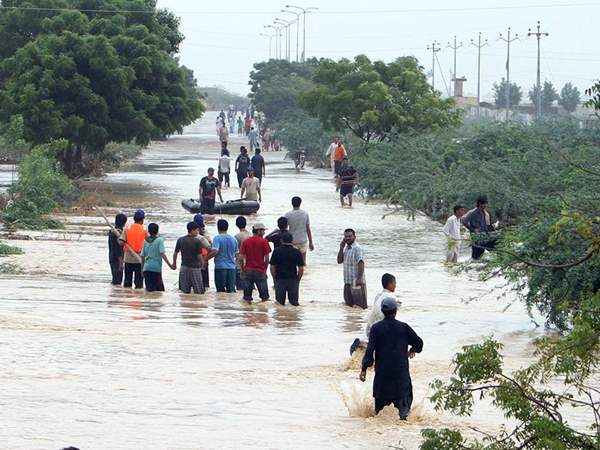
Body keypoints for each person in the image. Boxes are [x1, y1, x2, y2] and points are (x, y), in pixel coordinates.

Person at [360, 297, 423, 420]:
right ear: (395, 311)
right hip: (401, 380)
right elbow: (419, 343)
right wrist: (413, 350)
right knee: (403, 417)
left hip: (382, 380)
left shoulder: (376, 329)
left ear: (383, 311)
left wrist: (363, 369)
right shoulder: (404, 328)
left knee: (379, 417)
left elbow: (369, 351)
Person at [350, 273, 400, 355]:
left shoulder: (378, 296)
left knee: (375, 346)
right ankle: (362, 345)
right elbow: (392, 315)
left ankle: (361, 344)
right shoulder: (392, 297)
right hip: (378, 328)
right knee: (382, 347)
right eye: (395, 283)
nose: (395, 285)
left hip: (369, 327)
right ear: (390, 284)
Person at [270, 232, 305, 306]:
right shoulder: (296, 252)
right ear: (292, 241)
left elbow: (272, 266)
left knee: (279, 304)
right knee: (294, 304)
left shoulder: (277, 251)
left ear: (281, 240)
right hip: (292, 279)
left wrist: (274, 277)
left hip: (280, 278)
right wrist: (298, 279)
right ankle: (293, 316)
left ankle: (280, 316)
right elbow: (301, 268)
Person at [239, 222, 271, 302]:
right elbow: (267, 259)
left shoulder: (245, 242)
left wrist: (243, 270)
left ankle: (247, 313)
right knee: (265, 298)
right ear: (259, 231)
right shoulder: (264, 242)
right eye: (263, 231)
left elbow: (240, 258)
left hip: (248, 271)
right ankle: (263, 313)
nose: (264, 233)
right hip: (260, 271)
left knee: (247, 299)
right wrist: (265, 270)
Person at [337, 228, 367, 309]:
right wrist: (341, 248)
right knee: (349, 308)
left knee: (360, 308)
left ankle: (359, 322)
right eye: (346, 237)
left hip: (356, 282)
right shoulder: (346, 248)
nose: (348, 238)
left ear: (354, 237)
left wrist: (359, 278)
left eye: (350, 236)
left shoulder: (357, 248)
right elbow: (339, 261)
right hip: (347, 282)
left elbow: (361, 263)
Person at [173, 222, 205, 294]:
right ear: (192, 230)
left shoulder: (180, 240)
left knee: (185, 292)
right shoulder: (197, 241)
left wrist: (174, 264)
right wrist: (202, 264)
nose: (198, 232)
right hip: (195, 268)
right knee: (199, 292)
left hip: (184, 268)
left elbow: (175, 253)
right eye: (197, 230)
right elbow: (199, 256)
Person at [141, 223, 174, 292]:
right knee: (159, 291)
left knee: (149, 291)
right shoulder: (159, 240)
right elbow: (162, 254)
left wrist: (142, 269)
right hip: (156, 268)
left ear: (149, 231)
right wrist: (170, 265)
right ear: (157, 231)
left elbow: (142, 256)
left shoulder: (145, 241)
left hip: (146, 268)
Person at [119, 209, 147, 289]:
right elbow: (149, 243)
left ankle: (127, 298)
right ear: (142, 220)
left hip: (128, 259)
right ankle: (137, 299)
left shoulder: (127, 228)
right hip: (140, 260)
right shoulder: (144, 230)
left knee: (127, 283)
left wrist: (120, 238)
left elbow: (121, 242)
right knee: (139, 284)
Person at [284, 196, 315, 263]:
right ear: (300, 203)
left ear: (292, 203)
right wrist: (311, 242)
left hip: (292, 241)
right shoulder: (305, 214)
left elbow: (285, 229)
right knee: (303, 262)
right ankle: (304, 273)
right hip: (302, 241)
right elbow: (308, 229)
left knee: (292, 262)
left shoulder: (287, 215)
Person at [212, 219, 238, 293]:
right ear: (227, 227)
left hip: (220, 267)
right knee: (231, 292)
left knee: (220, 292)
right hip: (232, 268)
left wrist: (206, 259)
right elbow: (237, 254)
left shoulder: (217, 238)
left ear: (218, 227)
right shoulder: (234, 239)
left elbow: (215, 251)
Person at [193, 214, 216, 288]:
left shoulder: (193, 233)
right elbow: (210, 246)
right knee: (205, 284)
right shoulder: (206, 233)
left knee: (194, 284)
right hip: (204, 260)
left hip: (195, 261)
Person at [108, 213, 127, 285]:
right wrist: (121, 263)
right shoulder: (119, 233)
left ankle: (114, 293)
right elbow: (120, 249)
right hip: (118, 259)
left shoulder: (112, 231)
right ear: (124, 223)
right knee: (117, 281)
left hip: (111, 256)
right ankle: (116, 294)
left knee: (115, 279)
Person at [234, 216, 251, 291]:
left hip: (240, 266)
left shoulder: (237, 237)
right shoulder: (251, 235)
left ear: (236, 225)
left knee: (240, 290)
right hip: (250, 266)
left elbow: (235, 252)